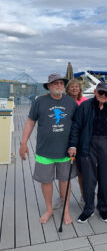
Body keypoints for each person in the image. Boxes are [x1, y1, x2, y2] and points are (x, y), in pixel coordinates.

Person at [19, 73, 78, 224]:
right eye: (55, 83)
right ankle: (49, 209)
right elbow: (30, 123)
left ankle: (65, 210)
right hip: (44, 151)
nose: (59, 85)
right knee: (46, 182)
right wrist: (23, 143)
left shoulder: (71, 103)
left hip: (65, 151)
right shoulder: (40, 102)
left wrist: (75, 145)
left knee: (65, 181)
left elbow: (77, 126)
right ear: (49, 86)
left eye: (61, 83)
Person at [68, 82, 107, 223]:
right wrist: (73, 145)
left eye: (106, 93)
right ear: (95, 92)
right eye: (100, 92)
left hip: (106, 144)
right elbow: (76, 126)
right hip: (88, 145)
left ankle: (103, 207)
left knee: (105, 178)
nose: (103, 95)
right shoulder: (85, 106)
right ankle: (88, 209)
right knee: (88, 178)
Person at [54, 79, 87, 209]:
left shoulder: (84, 101)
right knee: (63, 171)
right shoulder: (63, 101)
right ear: (67, 89)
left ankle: (84, 196)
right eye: (72, 87)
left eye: (77, 86)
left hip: (80, 139)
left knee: (81, 171)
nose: (74, 88)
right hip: (64, 138)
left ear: (80, 89)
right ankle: (62, 197)